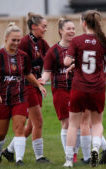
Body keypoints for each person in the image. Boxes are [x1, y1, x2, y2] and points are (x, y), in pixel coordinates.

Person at [0, 22, 46, 166]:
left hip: (19, 97)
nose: (16, 43)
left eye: (18, 40)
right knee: (1, 133)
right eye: (13, 40)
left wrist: (38, 84)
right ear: (6, 38)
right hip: (2, 99)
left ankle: (19, 160)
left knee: (19, 128)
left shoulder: (23, 56)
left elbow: (27, 74)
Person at [63, 10, 106, 168]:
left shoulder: (77, 40)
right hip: (97, 88)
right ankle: (94, 150)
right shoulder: (103, 40)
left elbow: (67, 62)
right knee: (97, 123)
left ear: (84, 23)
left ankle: (68, 161)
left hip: (79, 87)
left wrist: (73, 61)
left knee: (73, 124)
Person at [2, 12, 51, 163]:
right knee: (38, 122)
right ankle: (39, 157)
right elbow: (17, 66)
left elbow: (51, 58)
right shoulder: (23, 43)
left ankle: (9, 151)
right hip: (25, 87)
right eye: (43, 26)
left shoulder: (42, 42)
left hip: (36, 87)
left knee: (30, 126)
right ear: (34, 27)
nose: (45, 29)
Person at [39, 18, 81, 163]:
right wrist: (43, 79)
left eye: (74, 28)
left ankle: (77, 153)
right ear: (60, 31)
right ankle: (69, 155)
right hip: (60, 90)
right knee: (66, 123)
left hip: (78, 89)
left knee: (81, 123)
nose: (72, 31)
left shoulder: (79, 48)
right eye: (68, 28)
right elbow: (47, 71)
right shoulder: (53, 51)